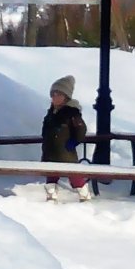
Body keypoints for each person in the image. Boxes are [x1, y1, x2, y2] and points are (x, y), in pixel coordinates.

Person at [41, 74, 91, 202]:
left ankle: (84, 193)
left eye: (59, 94)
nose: (55, 97)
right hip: (50, 150)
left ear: (66, 96)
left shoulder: (71, 113)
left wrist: (74, 141)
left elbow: (81, 130)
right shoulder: (51, 112)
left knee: (73, 173)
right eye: (53, 95)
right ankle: (51, 195)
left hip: (65, 151)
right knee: (51, 174)